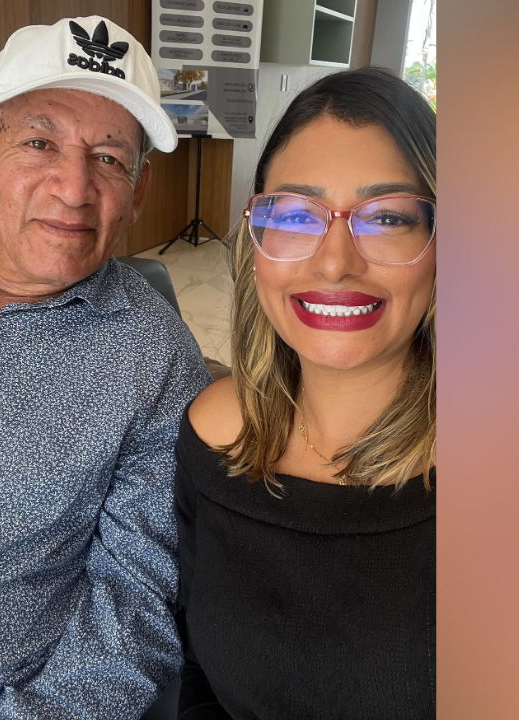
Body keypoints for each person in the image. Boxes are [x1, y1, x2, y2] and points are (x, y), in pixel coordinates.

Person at [176, 67, 437, 719]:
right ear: (255, 238)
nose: (335, 261)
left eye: (387, 217)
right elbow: (195, 671)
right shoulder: (214, 431)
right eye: (295, 214)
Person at [0, 16, 212, 720]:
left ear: (138, 193)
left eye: (110, 159)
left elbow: (136, 601)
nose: (74, 187)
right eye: (39, 142)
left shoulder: (152, 357)